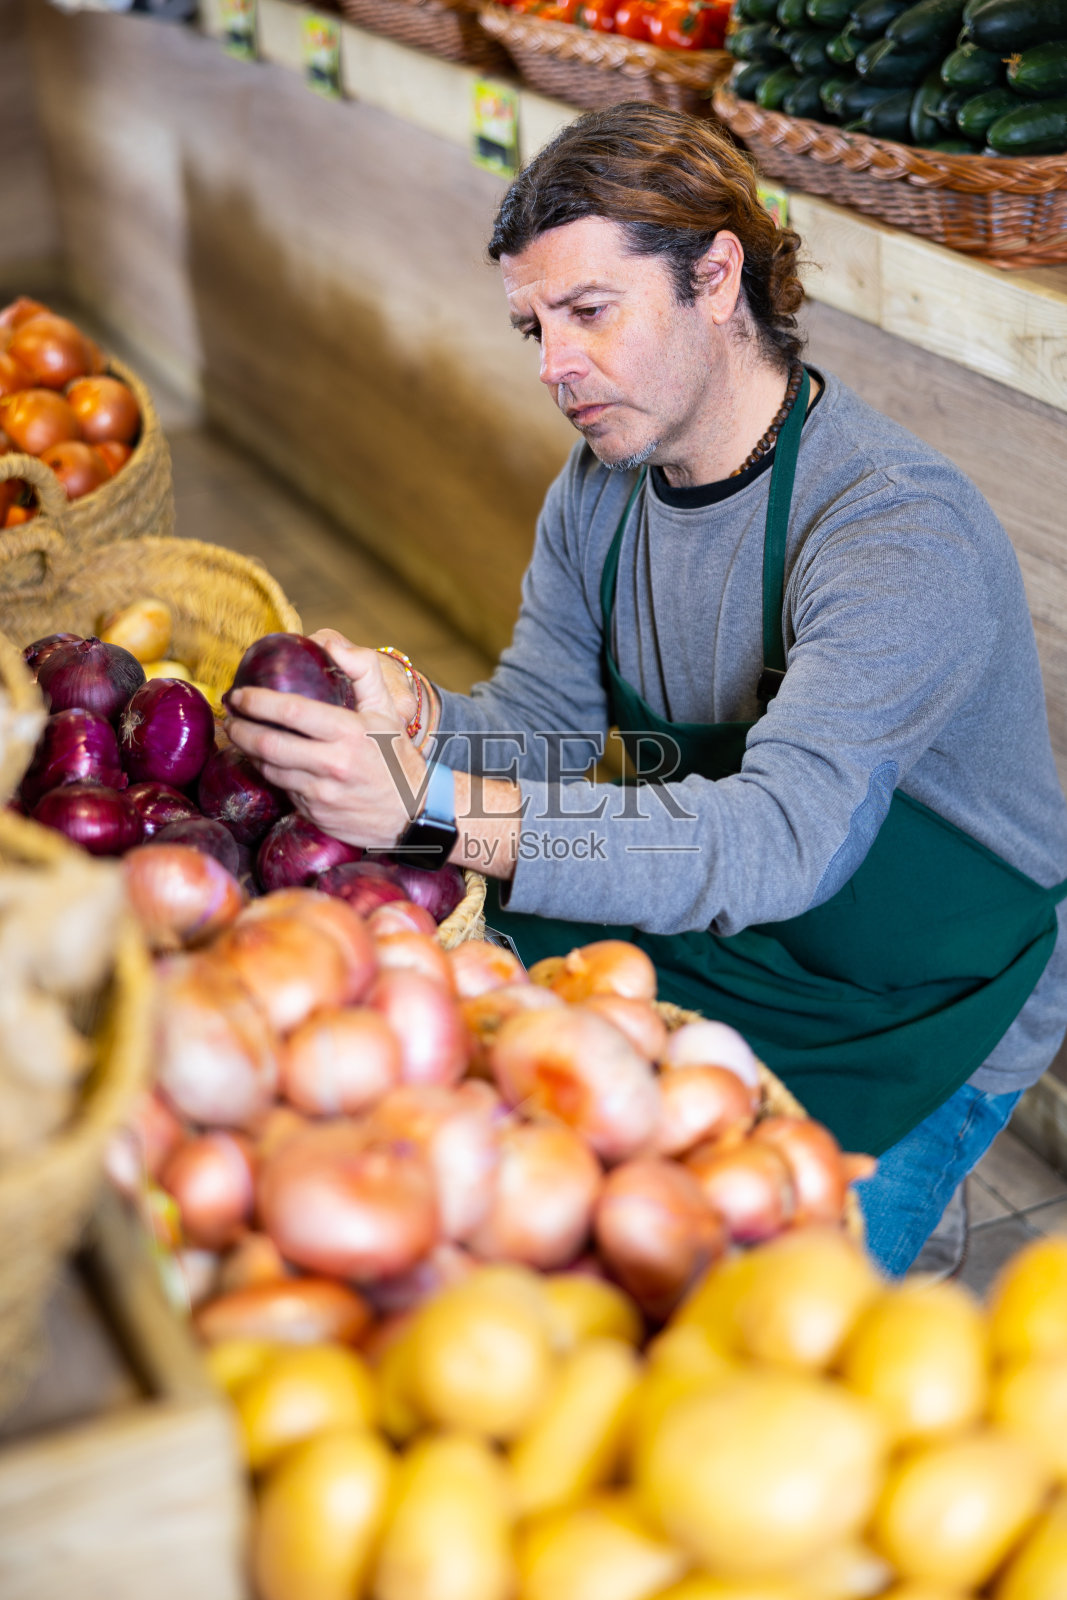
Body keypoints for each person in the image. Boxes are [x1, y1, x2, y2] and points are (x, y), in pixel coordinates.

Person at [225, 103, 1067, 1275]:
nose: (555, 365)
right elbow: (544, 732)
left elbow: (776, 839)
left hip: (917, 996)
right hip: (733, 919)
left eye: (587, 311)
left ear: (714, 278)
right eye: (534, 327)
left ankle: (919, 1170)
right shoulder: (598, 492)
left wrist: (431, 805)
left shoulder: (890, 531)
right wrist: (413, 719)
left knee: (747, 1308)